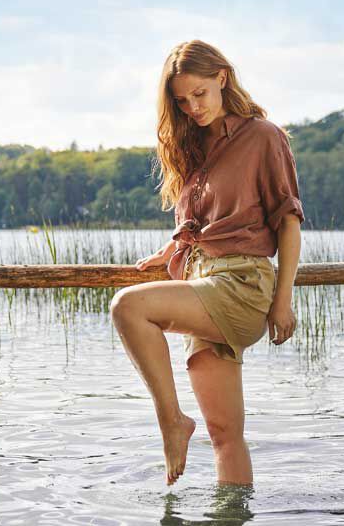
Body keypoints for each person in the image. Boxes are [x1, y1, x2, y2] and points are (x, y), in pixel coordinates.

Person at [108, 39, 306, 487]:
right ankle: (234, 515)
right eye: (182, 101)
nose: (193, 107)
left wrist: (282, 301)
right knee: (225, 436)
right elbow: (209, 222)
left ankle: (171, 423)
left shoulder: (263, 136)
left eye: (199, 94)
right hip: (202, 280)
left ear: (222, 78)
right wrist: (175, 248)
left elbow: (289, 222)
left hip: (241, 286)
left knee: (128, 307)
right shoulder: (193, 146)